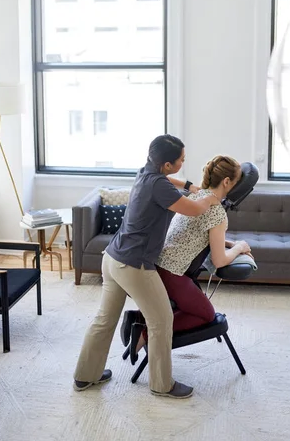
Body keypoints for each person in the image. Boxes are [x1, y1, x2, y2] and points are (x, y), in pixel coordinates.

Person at [73, 134, 219, 399]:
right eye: (181, 160)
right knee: (162, 320)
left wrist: (189, 185)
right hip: (135, 265)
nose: (183, 162)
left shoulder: (145, 173)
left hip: (113, 258)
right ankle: (162, 385)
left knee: (104, 320)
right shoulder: (160, 187)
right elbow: (194, 210)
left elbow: (170, 183)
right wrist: (210, 197)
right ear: (166, 164)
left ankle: (86, 375)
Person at [125, 155, 252, 359]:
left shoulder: (194, 197)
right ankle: (145, 332)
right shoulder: (217, 213)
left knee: (195, 308)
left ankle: (139, 319)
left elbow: (197, 233)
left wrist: (229, 243)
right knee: (206, 314)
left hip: (156, 265)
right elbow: (220, 261)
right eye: (236, 182)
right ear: (227, 182)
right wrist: (240, 247)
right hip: (171, 273)